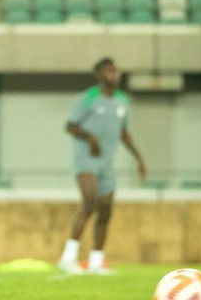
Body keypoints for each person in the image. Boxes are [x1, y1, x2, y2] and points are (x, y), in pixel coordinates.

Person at [57, 57, 145, 275]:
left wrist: (139, 159)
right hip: (86, 160)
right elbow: (69, 126)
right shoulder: (88, 98)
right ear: (99, 75)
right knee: (89, 202)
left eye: (116, 71)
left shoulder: (122, 100)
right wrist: (90, 138)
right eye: (109, 71)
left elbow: (123, 133)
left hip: (107, 163)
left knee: (105, 211)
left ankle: (96, 261)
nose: (114, 75)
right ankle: (67, 258)